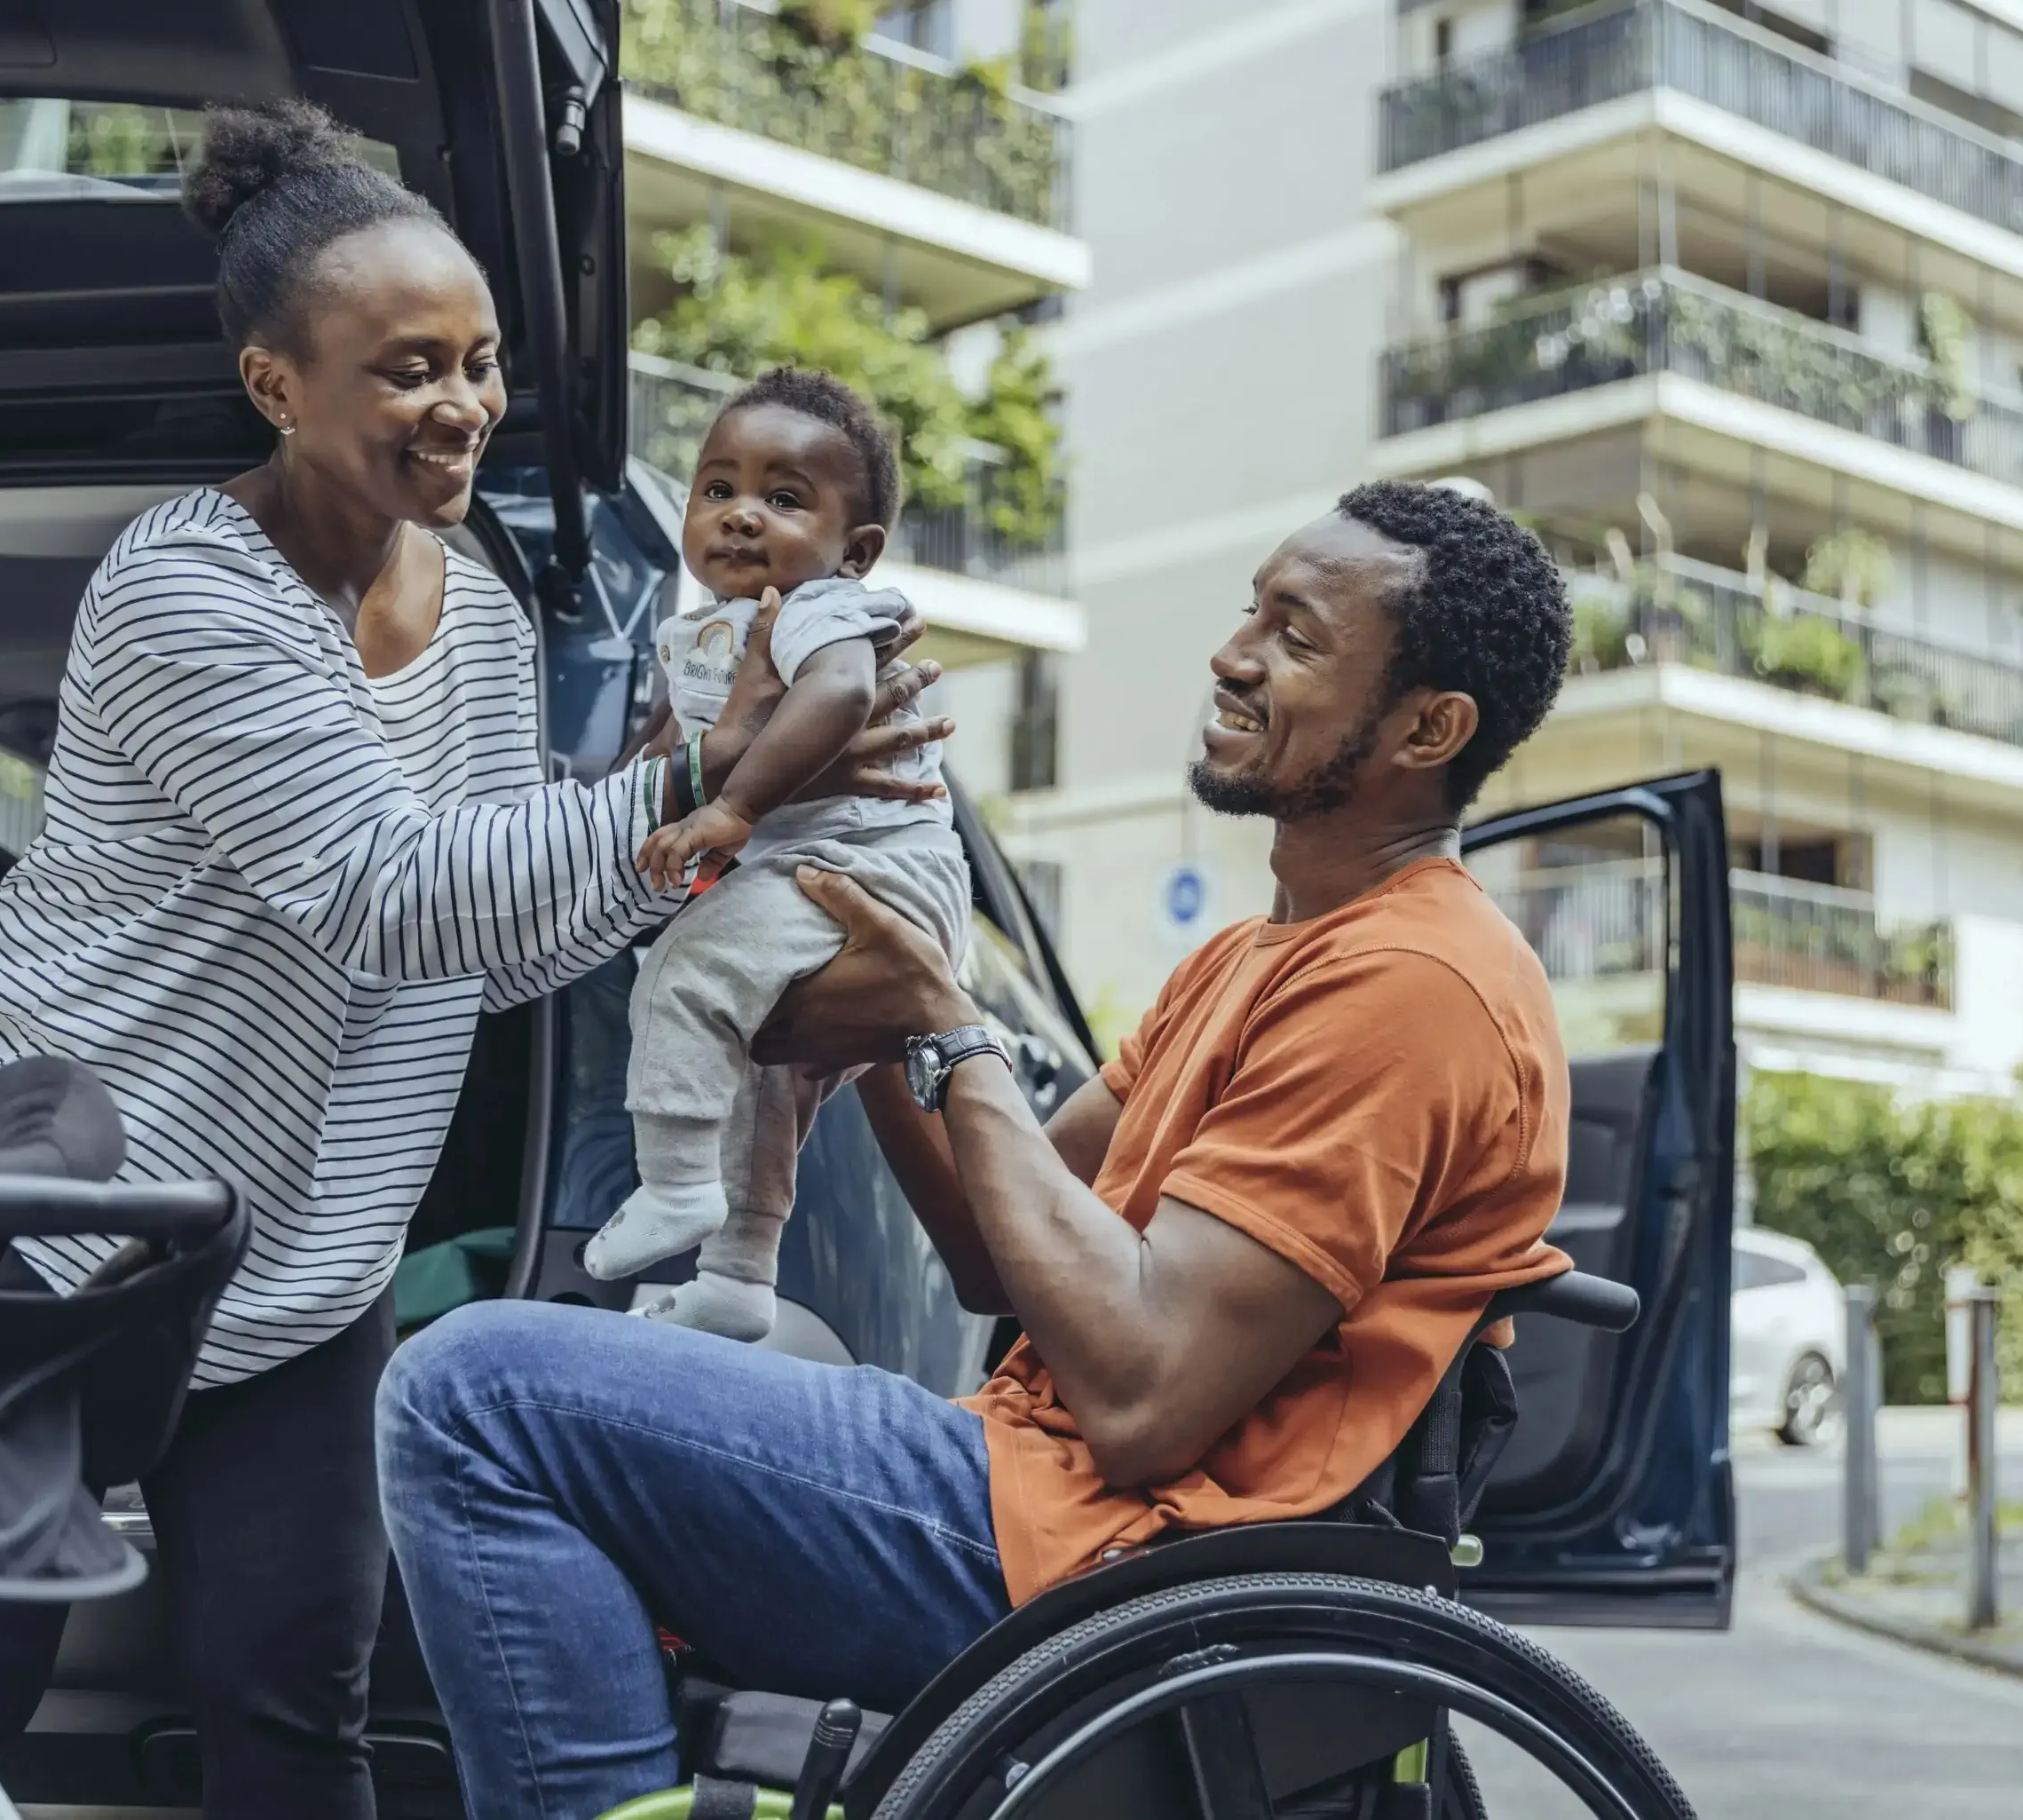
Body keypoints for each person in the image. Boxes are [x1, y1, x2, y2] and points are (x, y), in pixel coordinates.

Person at [0, 101, 948, 1820]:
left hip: (296, 1245)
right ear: (275, 383)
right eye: (407, 368)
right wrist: (692, 777)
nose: (462, 406)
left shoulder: (490, 612)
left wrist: (720, 826)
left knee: (297, 1699)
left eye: (481, 361)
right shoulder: (183, 591)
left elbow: (505, 930)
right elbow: (386, 888)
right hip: (46, 1208)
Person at [376, 479, 1582, 1820]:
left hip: (1124, 1565)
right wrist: (895, 998)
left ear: (1431, 725)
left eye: (1296, 636)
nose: (1232, 655)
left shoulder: (1416, 983)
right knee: (716, 1347)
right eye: (1251, 612)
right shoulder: (1259, 955)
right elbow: (991, 1252)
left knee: (472, 1395)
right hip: (1047, 1501)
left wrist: (945, 1025)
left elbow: (1139, 1395)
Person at [583, 368, 970, 1340]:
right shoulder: (699, 634)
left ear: (856, 550)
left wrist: (735, 809)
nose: (741, 516)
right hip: (814, 878)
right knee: (761, 1078)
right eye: (718, 490)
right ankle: (738, 1274)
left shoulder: (821, 610)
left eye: (783, 498)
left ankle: (673, 1186)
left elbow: (838, 698)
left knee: (685, 967)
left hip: (871, 874)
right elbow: (657, 762)